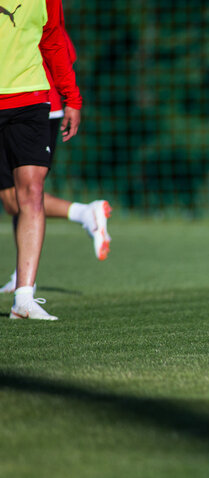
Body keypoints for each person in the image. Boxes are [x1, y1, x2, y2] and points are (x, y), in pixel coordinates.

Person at [1, 25, 111, 295]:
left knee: (18, 196)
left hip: (35, 104)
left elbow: (60, 47)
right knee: (19, 196)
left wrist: (71, 97)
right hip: (22, 103)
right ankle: (22, 275)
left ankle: (84, 212)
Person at [0, 0, 82, 320]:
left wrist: (71, 96)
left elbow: (52, 40)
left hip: (31, 98)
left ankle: (24, 298)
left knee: (31, 192)